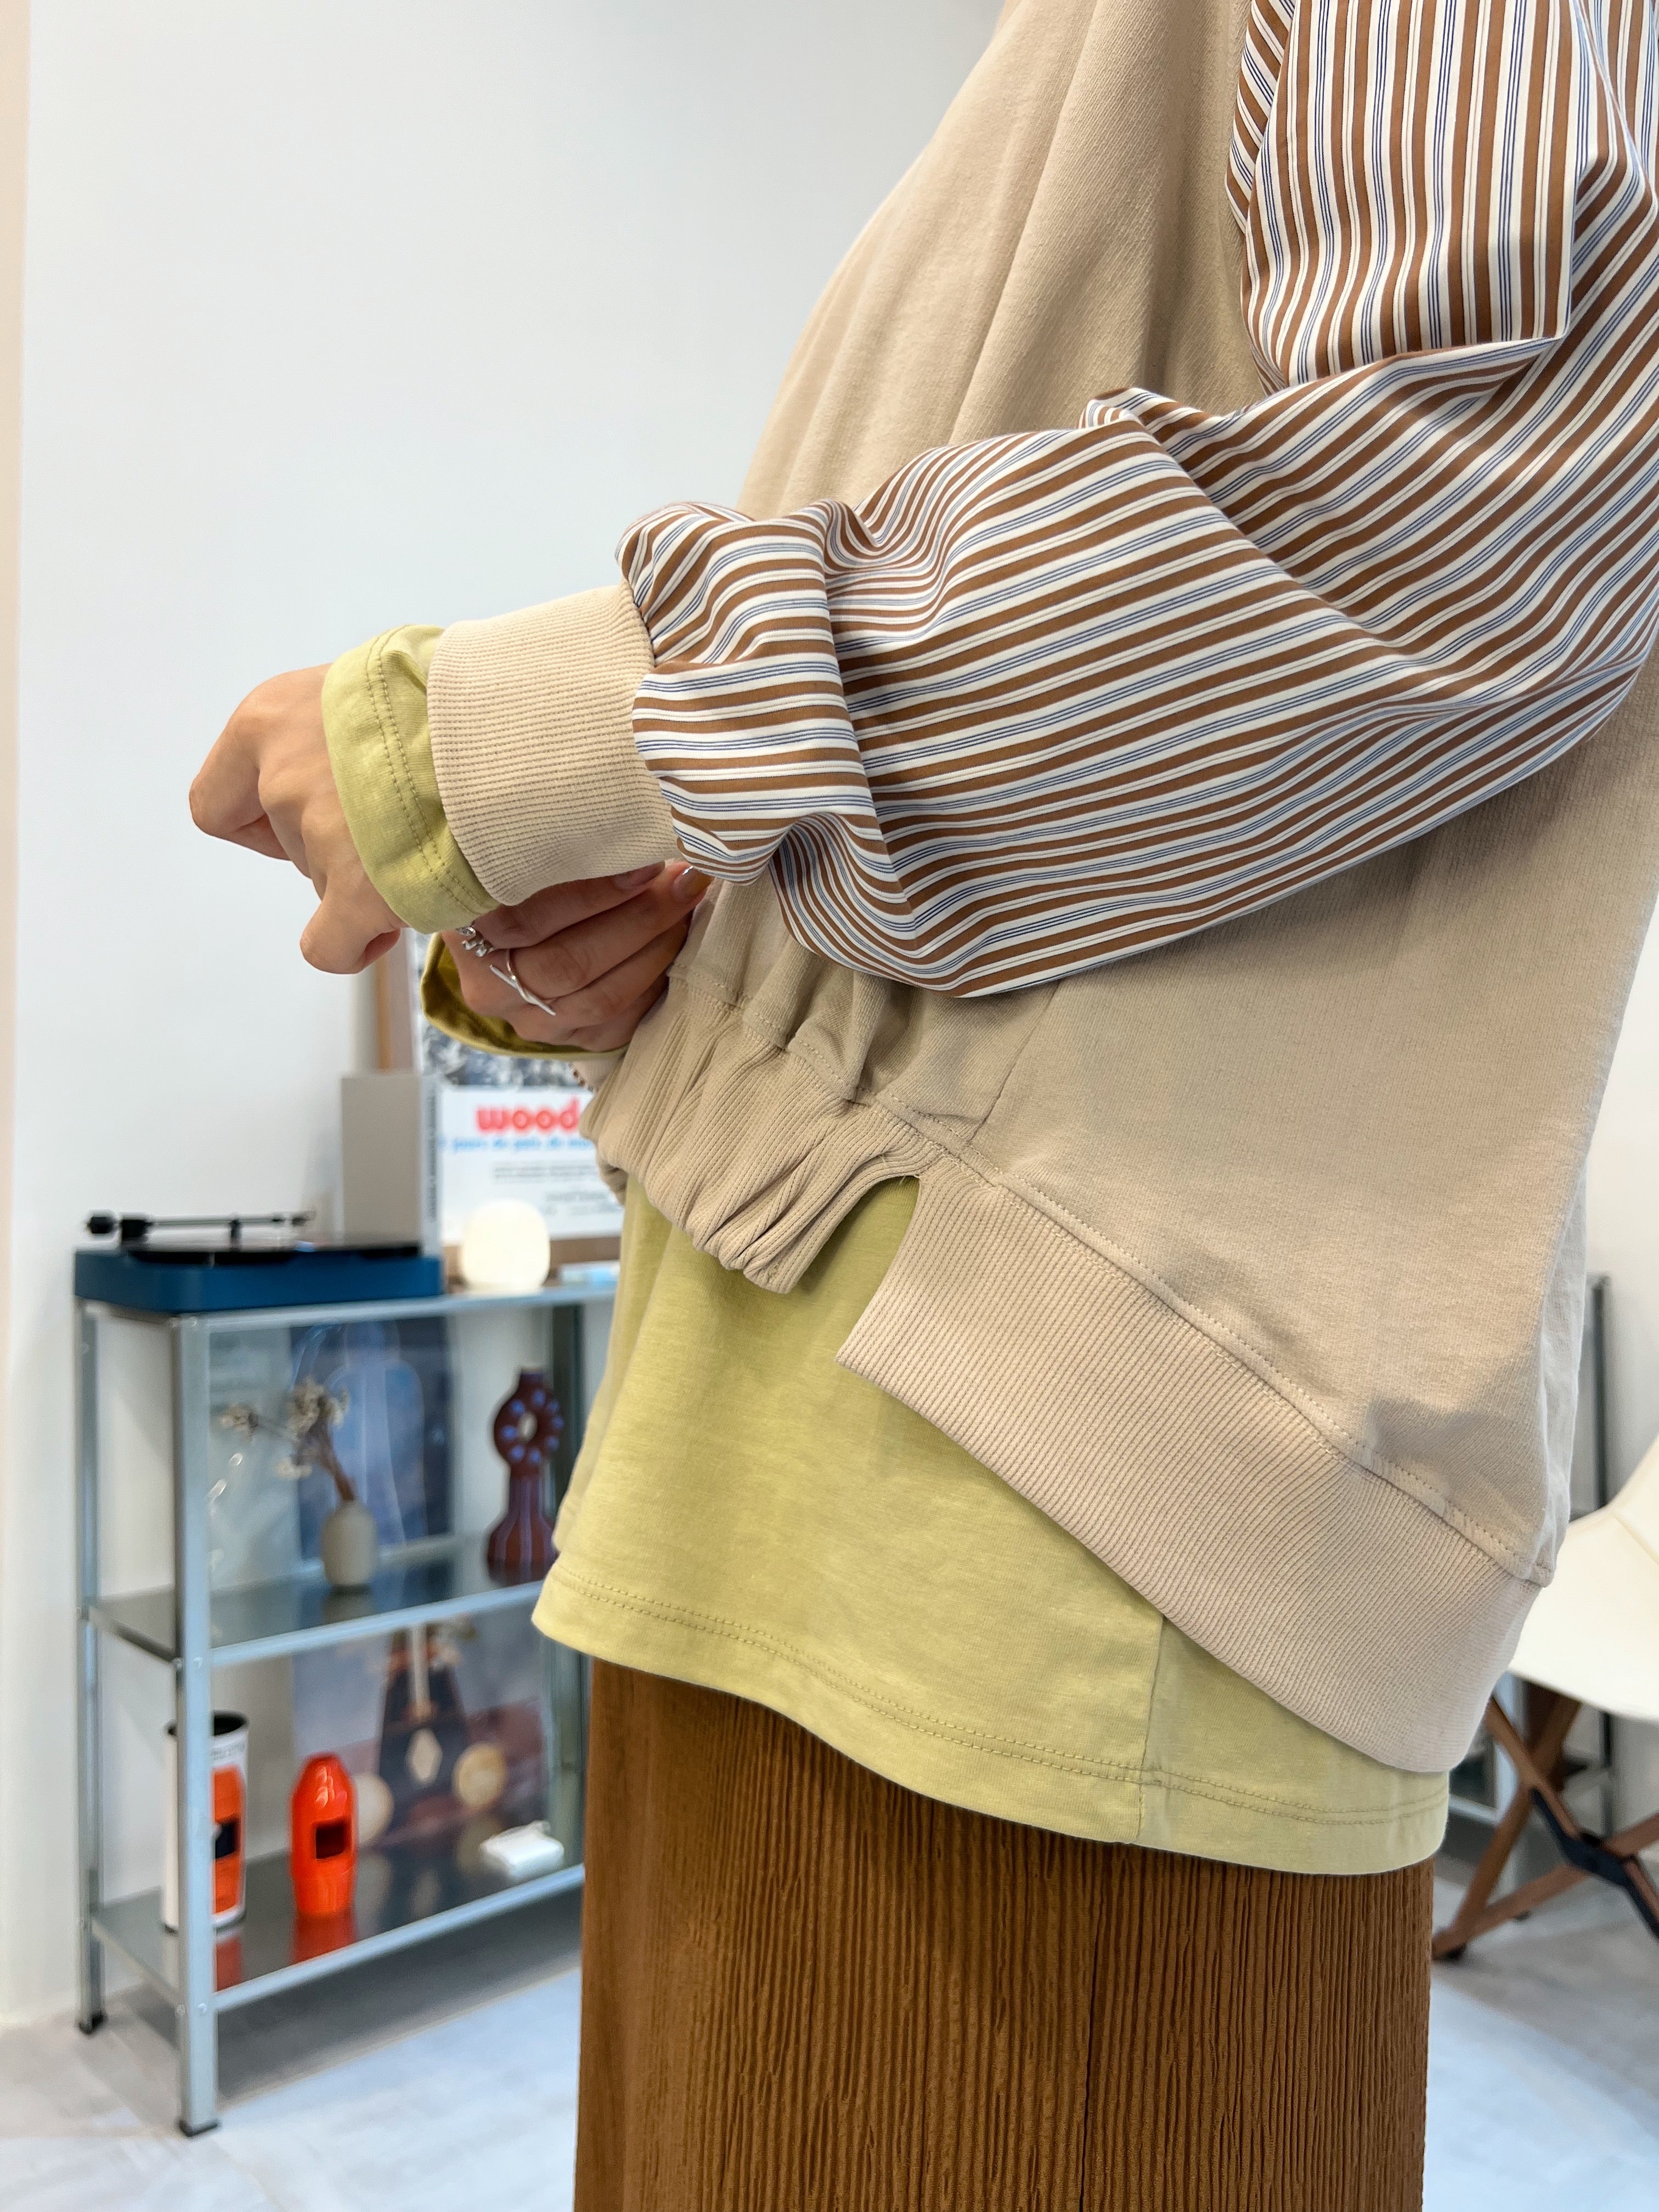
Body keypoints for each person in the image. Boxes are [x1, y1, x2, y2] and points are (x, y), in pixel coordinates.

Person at [191, 0, 1659, 2203]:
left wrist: (521, 734)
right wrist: (676, 902)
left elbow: (1487, 487)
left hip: (1061, 1515)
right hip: (813, 1452)